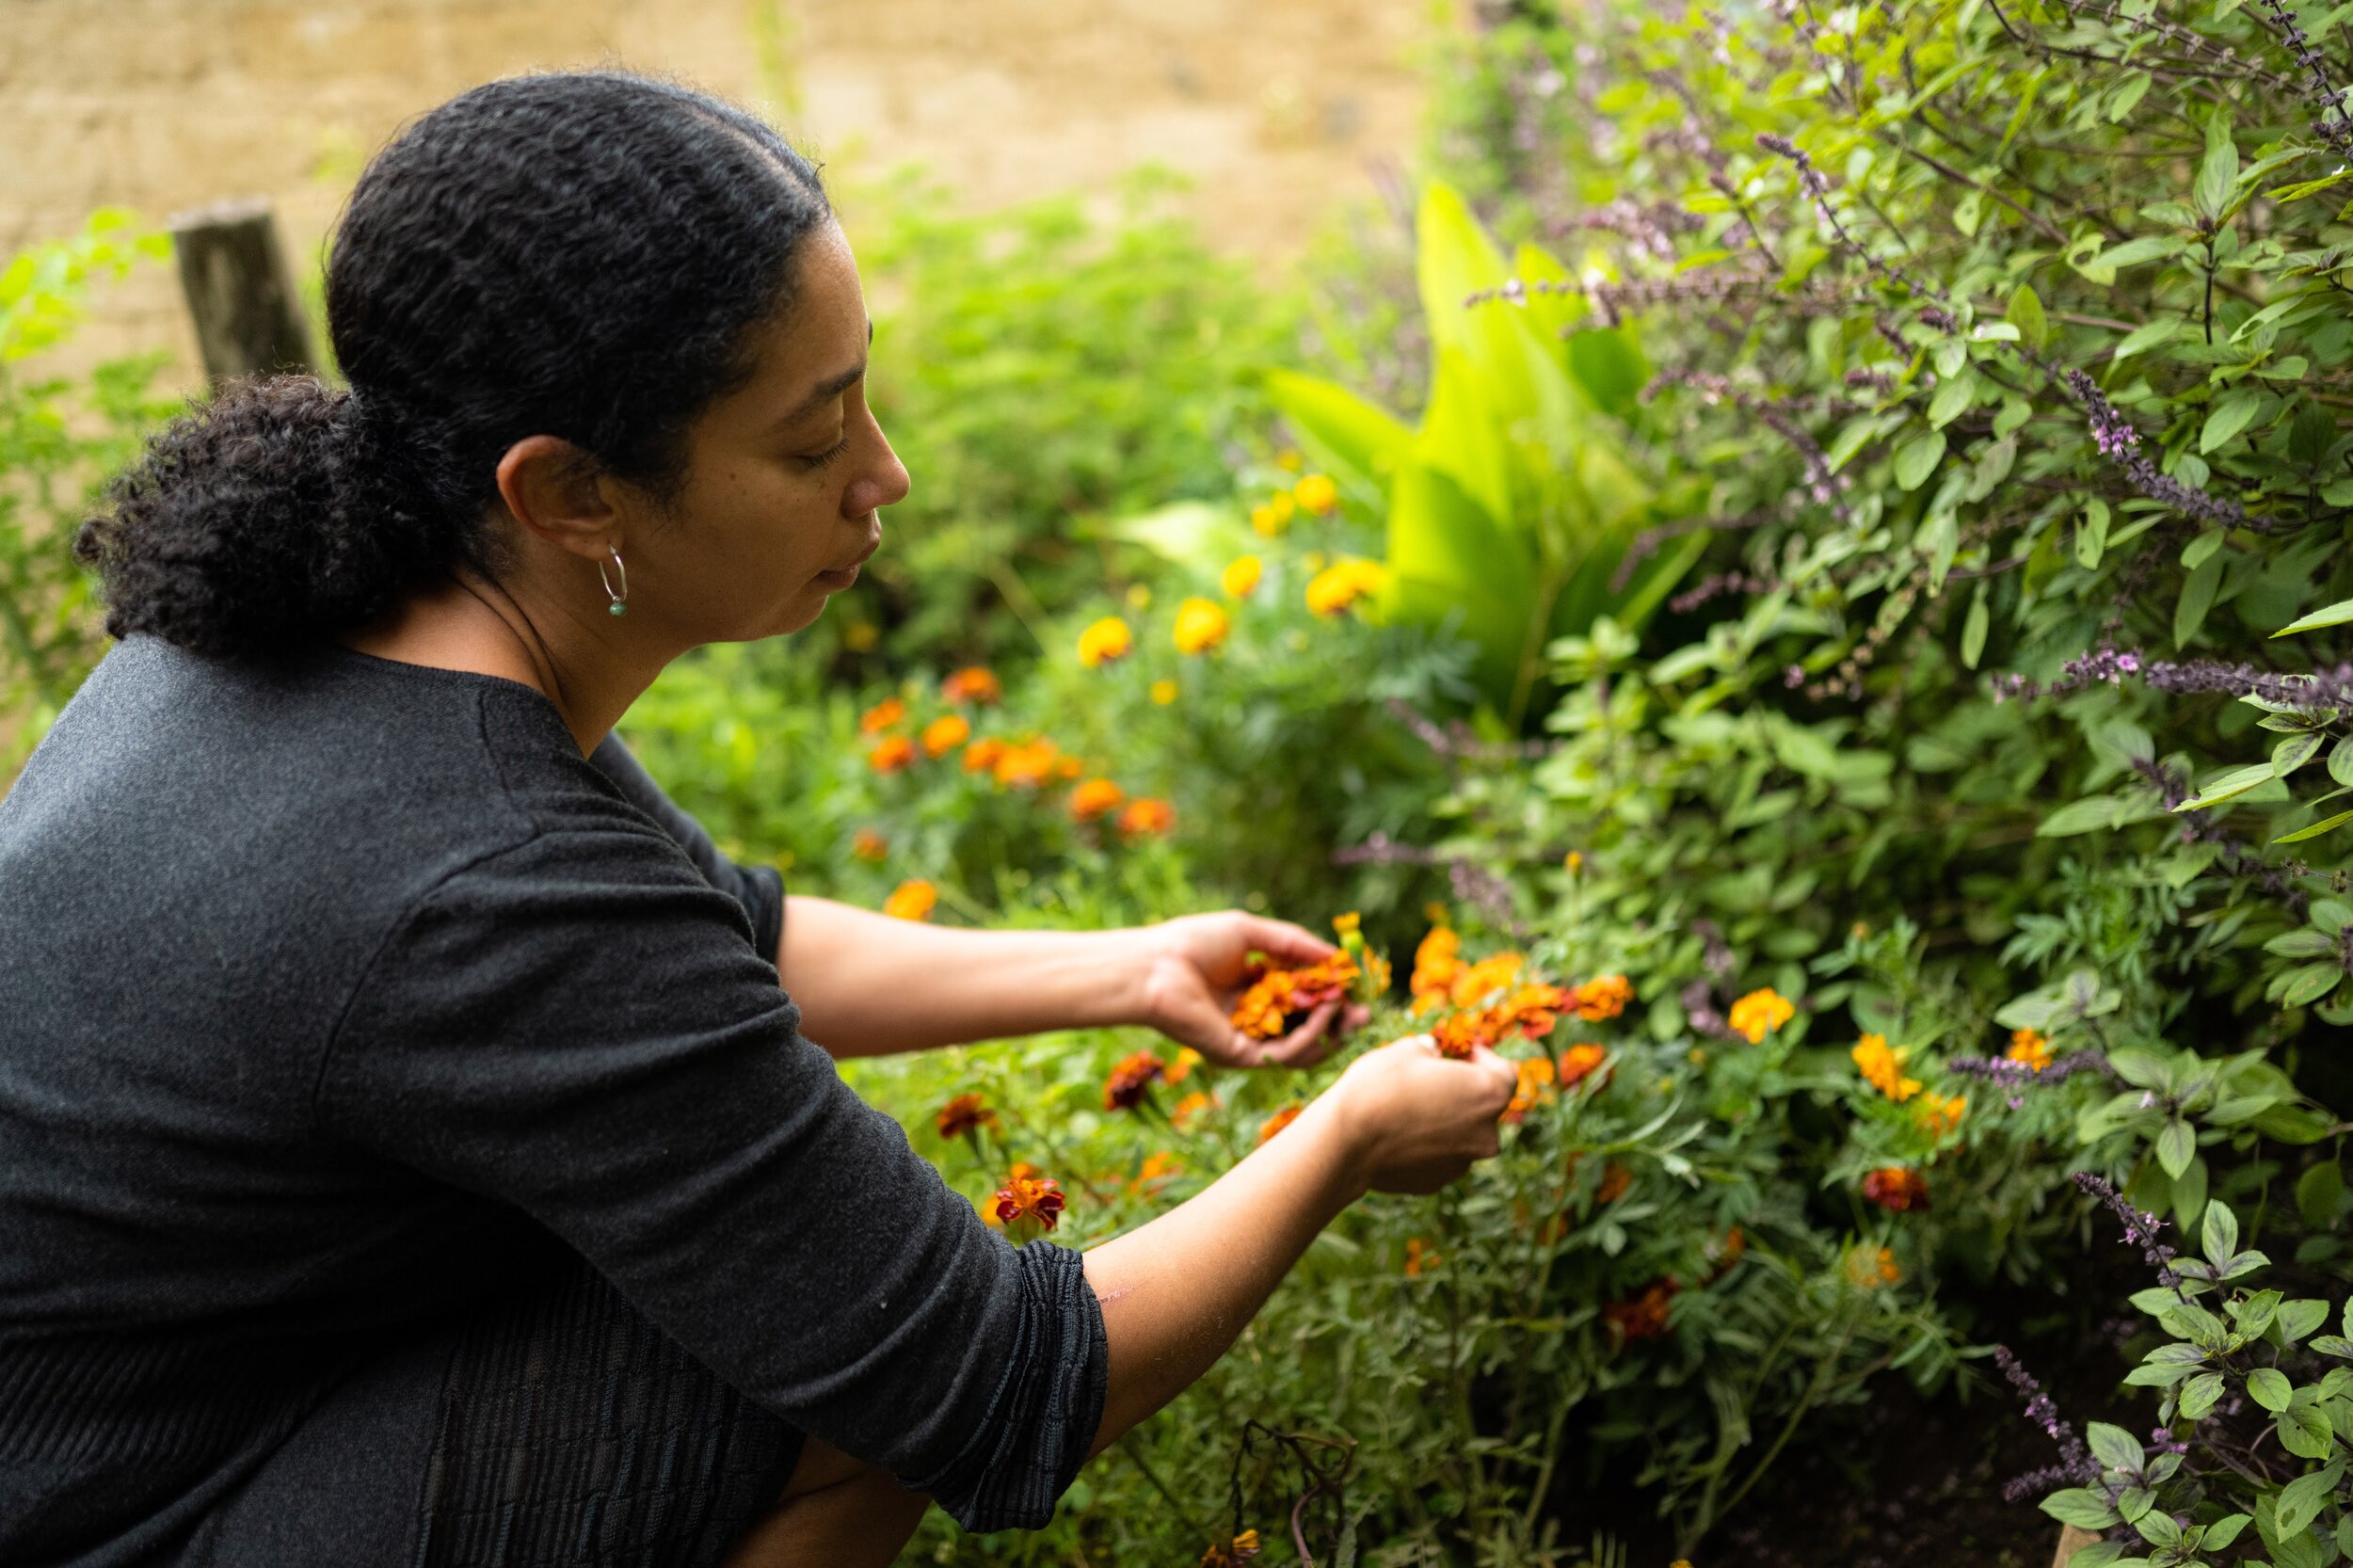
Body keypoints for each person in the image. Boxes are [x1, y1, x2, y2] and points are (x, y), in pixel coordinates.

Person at [0, 72, 1517, 1568]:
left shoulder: (346, 628)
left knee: (764, 1288)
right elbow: (999, 1380)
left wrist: (1127, 966)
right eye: (813, 443)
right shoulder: (483, 869)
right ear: (569, 493)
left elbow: (721, 937)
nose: (886, 477)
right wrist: (1352, 1130)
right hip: (125, 1514)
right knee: (827, 1375)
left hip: (175, 1399)